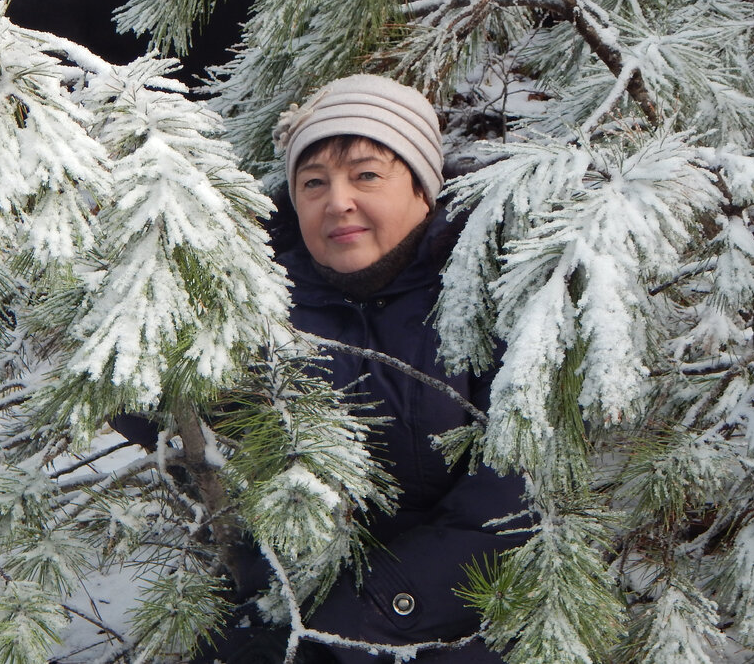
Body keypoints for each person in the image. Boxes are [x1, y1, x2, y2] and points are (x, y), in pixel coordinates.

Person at [114, 75, 527, 663]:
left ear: (423, 189)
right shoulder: (255, 299)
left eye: (366, 175)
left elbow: (514, 500)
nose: (337, 202)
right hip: (287, 607)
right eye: (313, 184)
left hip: (461, 615)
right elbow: (197, 430)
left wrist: (369, 611)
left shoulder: (494, 297)